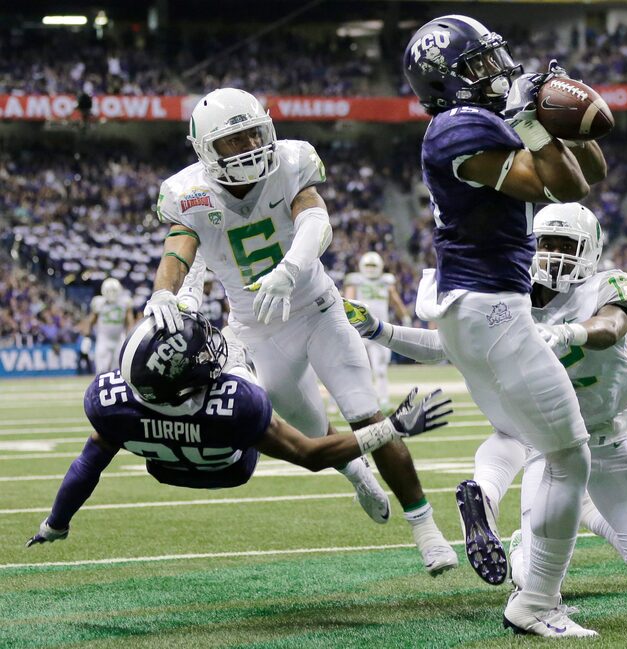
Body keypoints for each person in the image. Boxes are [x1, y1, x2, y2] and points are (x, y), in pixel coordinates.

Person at [147, 88, 457, 575]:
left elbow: (316, 221)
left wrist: (289, 270)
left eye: (254, 131)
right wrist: (164, 293)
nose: (250, 144)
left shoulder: (291, 161)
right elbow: (177, 254)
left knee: (364, 412)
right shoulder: (188, 193)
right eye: (234, 139)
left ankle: (424, 526)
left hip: (317, 310)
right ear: (207, 149)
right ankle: (356, 473)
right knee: (309, 433)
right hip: (257, 331)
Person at [345, 203, 627, 593]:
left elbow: (612, 324)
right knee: (530, 576)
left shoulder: (606, 285)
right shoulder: (510, 297)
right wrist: (379, 330)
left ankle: (580, 507)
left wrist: (570, 333)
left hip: (609, 444)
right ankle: (524, 543)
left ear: (590, 250)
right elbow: (445, 345)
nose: (553, 254)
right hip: (551, 445)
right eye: (546, 243)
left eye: (566, 245)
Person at [403, 15, 607, 637]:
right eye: (476, 67)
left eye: (493, 59)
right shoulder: (456, 129)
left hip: (480, 308)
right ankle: (535, 602)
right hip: (490, 307)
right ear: (445, 83)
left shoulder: (476, 119)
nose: (494, 73)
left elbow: (586, 175)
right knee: (569, 456)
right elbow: (559, 190)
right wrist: (528, 122)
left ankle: (489, 505)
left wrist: (551, 117)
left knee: (523, 437)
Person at [26, 313, 451, 547]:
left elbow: (87, 466)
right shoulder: (234, 404)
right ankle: (358, 473)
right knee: (244, 352)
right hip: (230, 462)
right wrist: (391, 428)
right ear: (184, 386)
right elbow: (310, 455)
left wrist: (55, 524)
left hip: (171, 468)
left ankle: (357, 474)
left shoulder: (112, 405)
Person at [344, 252, 412, 410]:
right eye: (368, 265)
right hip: (358, 331)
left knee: (380, 369)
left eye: (373, 265)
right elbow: (347, 302)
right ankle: (353, 403)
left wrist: (405, 317)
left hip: (379, 331)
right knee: (355, 368)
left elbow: (395, 300)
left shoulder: (386, 281)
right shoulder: (356, 280)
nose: (370, 269)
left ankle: (383, 400)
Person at [83, 277, 134, 373]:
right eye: (109, 291)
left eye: (113, 291)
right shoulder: (99, 302)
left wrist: (130, 338)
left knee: (119, 371)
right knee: (101, 370)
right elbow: (90, 321)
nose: (111, 294)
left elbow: (130, 322)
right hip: (103, 339)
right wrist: (86, 337)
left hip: (119, 339)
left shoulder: (125, 302)